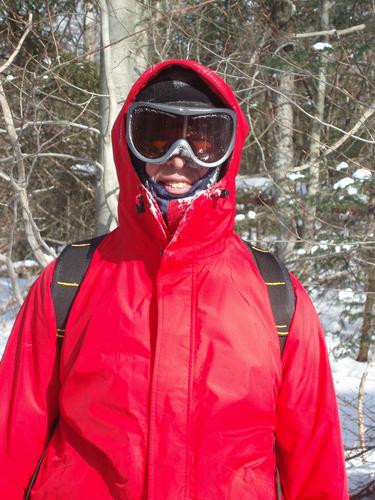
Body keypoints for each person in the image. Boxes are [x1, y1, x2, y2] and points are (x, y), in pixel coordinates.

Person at [0, 60, 348, 499]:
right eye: (157, 137)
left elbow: (316, 465)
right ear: (131, 147)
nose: (179, 156)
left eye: (203, 140)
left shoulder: (276, 295)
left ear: (227, 151)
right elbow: (10, 437)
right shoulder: (70, 281)